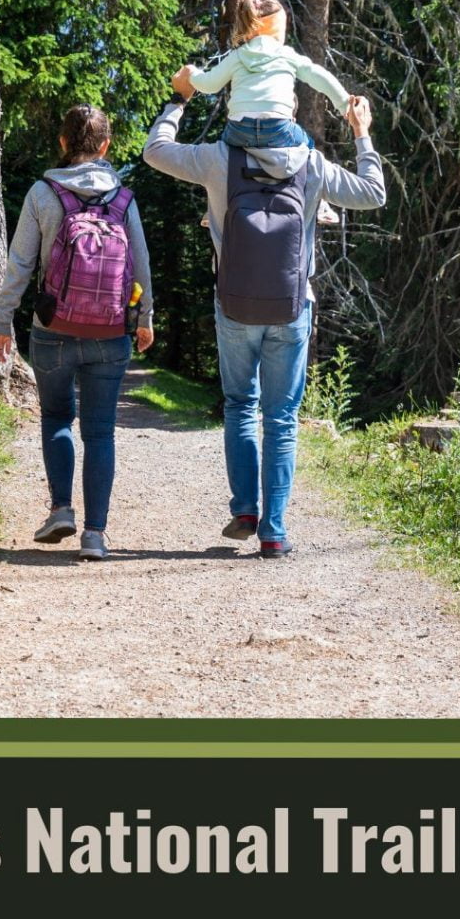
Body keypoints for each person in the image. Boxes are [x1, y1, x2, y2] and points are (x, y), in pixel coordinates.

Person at [142, 76, 384, 558]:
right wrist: (361, 132)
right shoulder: (312, 163)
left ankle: (244, 511)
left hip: (233, 304)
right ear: (290, 113)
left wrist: (179, 98)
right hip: (291, 305)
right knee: (281, 418)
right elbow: (373, 193)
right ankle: (273, 531)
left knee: (240, 405)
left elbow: (155, 151)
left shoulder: (217, 158)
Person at [0, 104, 154, 561]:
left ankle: (61, 509)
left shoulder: (43, 193)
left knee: (57, 417)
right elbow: (141, 263)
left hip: (53, 327)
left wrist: (3, 321)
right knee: (100, 432)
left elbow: (20, 263)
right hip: (110, 331)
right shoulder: (123, 198)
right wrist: (145, 317)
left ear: (63, 143)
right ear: (105, 147)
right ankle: (95, 535)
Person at [175, 0, 353, 226]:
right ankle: (321, 205)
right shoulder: (286, 55)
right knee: (308, 149)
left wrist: (192, 74)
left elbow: (209, 85)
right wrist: (344, 103)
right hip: (278, 128)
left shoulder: (238, 56)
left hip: (240, 130)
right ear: (277, 28)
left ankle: (215, 208)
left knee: (223, 158)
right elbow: (319, 76)